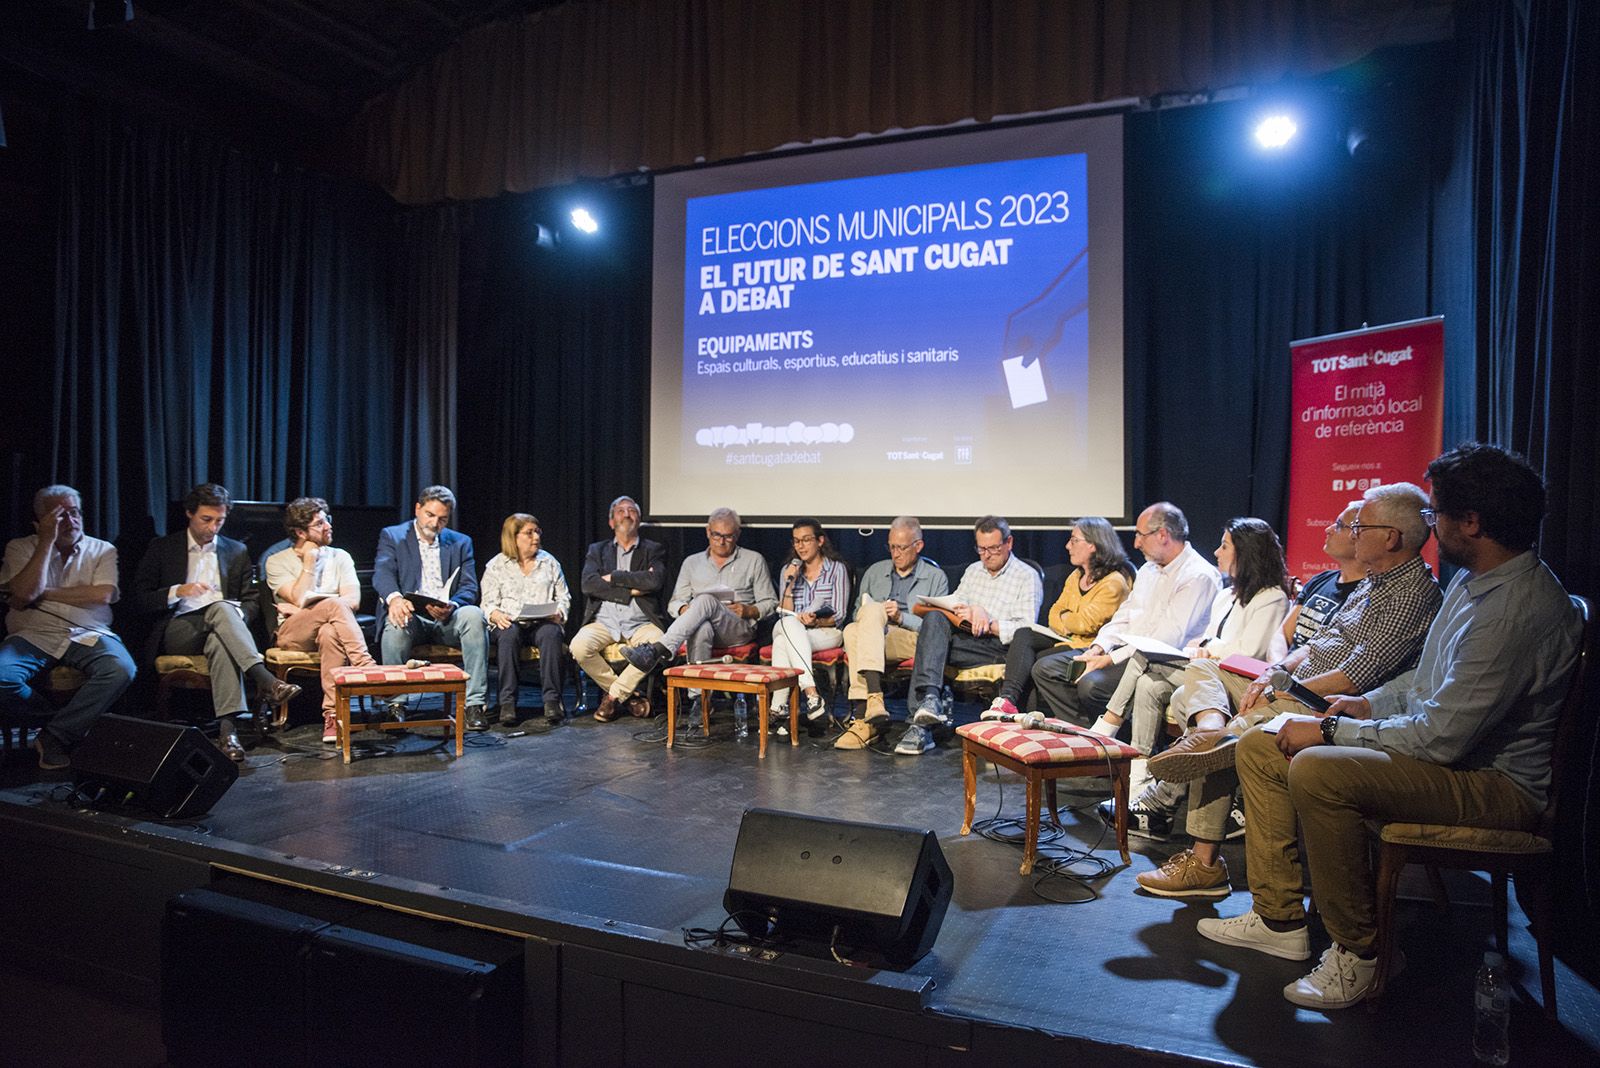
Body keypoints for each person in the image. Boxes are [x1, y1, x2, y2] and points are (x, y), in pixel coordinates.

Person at [1198, 444, 1581, 1010]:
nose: (1433, 525)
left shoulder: (1514, 609)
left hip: (1493, 787)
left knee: (1318, 772)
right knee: (1260, 743)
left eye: (1438, 514)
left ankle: (1363, 951)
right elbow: (1422, 684)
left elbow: (1441, 739)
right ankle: (1280, 920)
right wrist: (1364, 705)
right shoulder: (1476, 583)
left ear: (1471, 523)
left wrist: (1328, 733)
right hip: (1452, 758)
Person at [1130, 486, 1443, 865]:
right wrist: (1276, 674)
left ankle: (1202, 861)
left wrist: (1282, 691)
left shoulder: (1412, 593)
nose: (1352, 532)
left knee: (1222, 725)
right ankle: (1210, 731)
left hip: (1324, 704)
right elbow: (1314, 643)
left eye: (1360, 526)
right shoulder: (1374, 582)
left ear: (1391, 537)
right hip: (1295, 685)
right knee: (1203, 670)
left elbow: (1354, 677)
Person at [129, 482, 300, 762]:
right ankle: (265, 680)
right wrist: (177, 591)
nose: (213, 527)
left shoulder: (236, 551)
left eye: (220, 520)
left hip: (222, 627)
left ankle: (228, 734)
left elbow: (251, 600)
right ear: (189, 514)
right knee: (221, 610)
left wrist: (236, 614)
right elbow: (139, 598)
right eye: (206, 519)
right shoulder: (163, 547)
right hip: (180, 628)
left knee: (221, 639)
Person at [1031, 502, 1220, 732]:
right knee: (1046, 669)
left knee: (1091, 686)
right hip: (1122, 650)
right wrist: (1099, 648)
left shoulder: (1197, 576)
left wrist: (1110, 660)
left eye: (1141, 535)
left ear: (1162, 535)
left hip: (1157, 661)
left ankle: (1112, 744)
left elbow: (1165, 639)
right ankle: (1084, 737)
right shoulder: (1149, 570)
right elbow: (1124, 615)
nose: (1136, 543)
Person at [0, 485, 137, 769]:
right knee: (2, 677)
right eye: (60, 516)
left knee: (121, 668)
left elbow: (103, 595)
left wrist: (43, 593)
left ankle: (55, 736)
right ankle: (52, 720)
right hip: (33, 633)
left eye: (75, 513)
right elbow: (24, 594)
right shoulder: (20, 547)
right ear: (40, 522)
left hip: (88, 631)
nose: (71, 522)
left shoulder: (102, 549)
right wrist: (45, 542)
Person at [893, 516, 1043, 756]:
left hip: (999, 648)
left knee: (929, 649)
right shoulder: (974, 571)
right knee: (934, 620)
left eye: (993, 548)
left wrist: (988, 621)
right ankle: (930, 699)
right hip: (967, 641)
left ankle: (918, 726)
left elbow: (1027, 629)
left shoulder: (1026, 576)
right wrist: (964, 610)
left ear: (1009, 543)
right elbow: (958, 603)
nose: (987, 555)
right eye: (981, 548)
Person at [982, 517, 1134, 721]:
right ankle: (1008, 700)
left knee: (1034, 663)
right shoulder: (1075, 576)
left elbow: (1086, 624)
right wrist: (1068, 621)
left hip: (1090, 647)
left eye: (1073, 540)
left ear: (1093, 545)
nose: (1067, 546)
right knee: (1024, 634)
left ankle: (1078, 725)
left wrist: (1066, 620)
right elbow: (1054, 613)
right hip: (1068, 640)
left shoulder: (1114, 582)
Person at [621, 509, 778, 704]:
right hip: (702, 627)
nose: (721, 541)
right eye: (716, 535)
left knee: (705, 600)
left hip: (737, 627)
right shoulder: (692, 562)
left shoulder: (753, 560)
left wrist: (749, 610)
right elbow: (675, 603)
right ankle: (699, 702)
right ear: (707, 532)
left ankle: (657, 650)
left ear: (737, 534)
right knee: (701, 625)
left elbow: (770, 602)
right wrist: (684, 610)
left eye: (728, 537)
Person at [372, 485, 490, 730]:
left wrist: (453, 604)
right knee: (396, 621)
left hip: (446, 617)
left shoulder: (460, 542)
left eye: (442, 519)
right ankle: (396, 705)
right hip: (412, 614)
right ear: (418, 508)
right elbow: (382, 573)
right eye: (430, 515)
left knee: (474, 615)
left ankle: (474, 704)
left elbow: (469, 586)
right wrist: (394, 598)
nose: (435, 523)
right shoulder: (393, 536)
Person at [263, 497, 377, 745]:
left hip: (331, 630)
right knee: (334, 605)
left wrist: (306, 608)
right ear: (300, 532)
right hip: (293, 634)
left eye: (327, 520)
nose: (328, 527)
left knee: (329, 632)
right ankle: (364, 665)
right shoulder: (276, 561)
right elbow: (300, 595)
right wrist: (309, 562)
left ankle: (332, 716)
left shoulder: (341, 557)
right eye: (319, 523)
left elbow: (354, 601)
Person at [835, 516, 947, 750]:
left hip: (913, 639)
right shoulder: (875, 572)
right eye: (892, 546)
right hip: (875, 638)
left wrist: (900, 618)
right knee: (856, 626)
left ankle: (863, 713)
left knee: (859, 627)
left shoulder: (936, 577)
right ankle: (871, 705)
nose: (895, 553)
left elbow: (937, 628)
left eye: (902, 547)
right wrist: (877, 616)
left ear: (918, 546)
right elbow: (857, 612)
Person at [572, 495, 668, 723]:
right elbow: (589, 584)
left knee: (660, 643)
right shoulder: (597, 550)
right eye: (620, 511)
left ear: (639, 518)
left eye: (632, 510)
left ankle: (613, 696)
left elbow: (654, 582)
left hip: (641, 622)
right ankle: (630, 697)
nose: (626, 514)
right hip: (604, 622)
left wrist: (615, 577)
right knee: (578, 646)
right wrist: (631, 591)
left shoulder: (653, 549)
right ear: (611, 522)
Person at [481, 513, 571, 728]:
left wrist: (560, 612)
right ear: (514, 536)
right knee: (508, 636)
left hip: (542, 620)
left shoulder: (549, 562)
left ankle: (552, 701)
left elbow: (564, 596)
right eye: (529, 533)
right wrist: (495, 614)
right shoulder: (496, 565)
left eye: (537, 532)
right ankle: (507, 704)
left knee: (551, 634)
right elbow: (487, 603)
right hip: (509, 621)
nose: (536, 537)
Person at [769, 518, 849, 727]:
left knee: (782, 640)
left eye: (806, 540)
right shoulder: (789, 571)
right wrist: (790, 584)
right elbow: (784, 613)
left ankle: (779, 706)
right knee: (789, 626)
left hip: (827, 631)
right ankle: (812, 695)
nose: (801, 546)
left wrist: (816, 621)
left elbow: (839, 614)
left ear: (820, 540)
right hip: (795, 629)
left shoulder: (836, 570)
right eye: (796, 541)